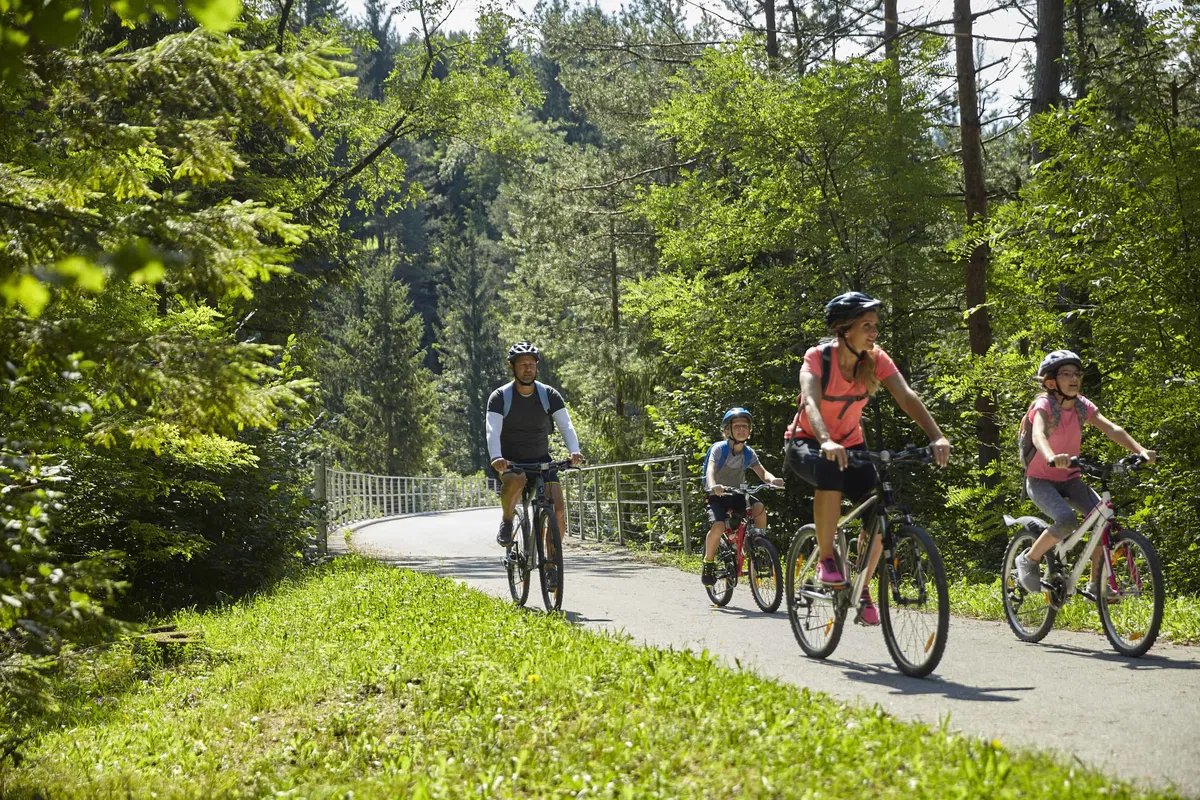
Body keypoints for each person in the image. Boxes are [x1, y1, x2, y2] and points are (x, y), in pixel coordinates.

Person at [785, 292, 951, 625]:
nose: (874, 332)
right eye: (866, 325)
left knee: (880, 507)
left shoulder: (876, 359)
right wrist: (827, 441)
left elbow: (905, 395)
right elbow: (812, 404)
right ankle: (827, 559)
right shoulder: (817, 358)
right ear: (844, 329)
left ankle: (861, 584)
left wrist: (936, 435)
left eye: (875, 325)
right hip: (807, 441)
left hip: (852, 443)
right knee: (830, 468)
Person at [1014, 350, 1156, 599]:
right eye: (1066, 374)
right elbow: (1038, 434)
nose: (1074, 378)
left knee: (1104, 520)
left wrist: (1140, 450)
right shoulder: (1044, 405)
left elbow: (1111, 428)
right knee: (1067, 520)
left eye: (1076, 374)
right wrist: (1050, 456)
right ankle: (1029, 559)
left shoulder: (1081, 405)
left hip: (1070, 478)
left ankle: (1095, 584)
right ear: (1050, 382)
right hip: (1040, 479)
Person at [486, 342, 584, 589]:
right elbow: (492, 430)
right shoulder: (500, 397)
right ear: (513, 367)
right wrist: (497, 457)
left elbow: (566, 425)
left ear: (537, 366)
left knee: (558, 511)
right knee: (516, 480)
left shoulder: (548, 395)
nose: (528, 369)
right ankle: (508, 521)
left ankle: (550, 565)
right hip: (511, 461)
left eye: (531, 364)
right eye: (522, 365)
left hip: (542, 461)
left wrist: (574, 450)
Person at [700, 408, 785, 587]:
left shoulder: (748, 453)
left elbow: (762, 472)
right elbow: (710, 469)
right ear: (727, 430)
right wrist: (713, 485)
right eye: (737, 426)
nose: (741, 430)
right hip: (718, 494)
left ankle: (757, 547)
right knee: (718, 525)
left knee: (759, 509)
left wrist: (773, 480)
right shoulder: (719, 449)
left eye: (745, 426)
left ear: (750, 430)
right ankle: (708, 562)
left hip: (738, 493)